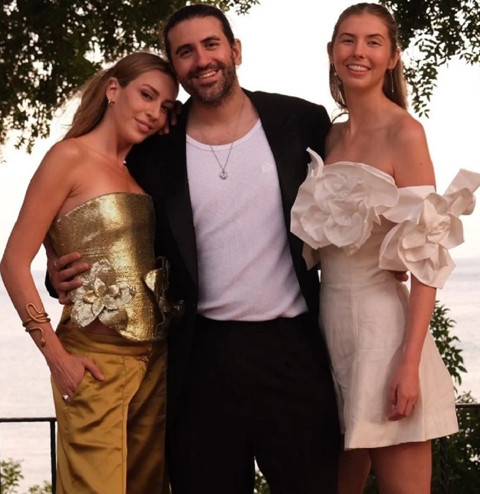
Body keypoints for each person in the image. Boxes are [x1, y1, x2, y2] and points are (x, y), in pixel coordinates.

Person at [47, 4, 341, 494]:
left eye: (211, 44)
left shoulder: (301, 121)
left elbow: (351, 190)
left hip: (291, 351)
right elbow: (103, 218)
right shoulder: (153, 147)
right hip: (198, 359)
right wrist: (56, 269)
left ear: (235, 50)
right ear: (176, 68)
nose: (201, 59)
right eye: (185, 52)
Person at [291, 3, 480, 494]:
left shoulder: (405, 133)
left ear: (393, 57)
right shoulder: (330, 135)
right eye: (348, 40)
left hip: (384, 335)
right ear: (331, 52)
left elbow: (425, 256)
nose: (359, 52)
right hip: (329, 334)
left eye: (374, 42)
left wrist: (408, 362)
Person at [1, 52, 179, 494]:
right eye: (146, 95)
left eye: (164, 107)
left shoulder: (136, 171)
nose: (154, 113)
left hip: (154, 362)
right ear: (113, 90)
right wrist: (57, 359)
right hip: (95, 362)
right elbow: (13, 262)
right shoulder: (68, 157)